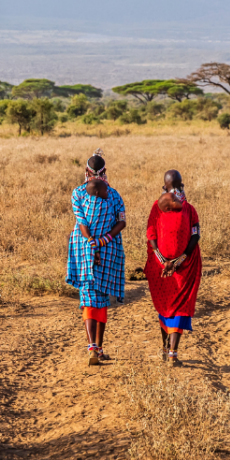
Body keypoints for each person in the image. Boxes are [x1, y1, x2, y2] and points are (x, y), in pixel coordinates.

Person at [66, 149, 126, 366]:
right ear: (105, 172)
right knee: (102, 300)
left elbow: (81, 222)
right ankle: (98, 348)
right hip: (108, 250)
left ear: (86, 171)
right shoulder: (115, 195)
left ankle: (93, 347)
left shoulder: (78, 194)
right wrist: (104, 240)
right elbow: (122, 222)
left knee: (88, 298)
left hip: (84, 249)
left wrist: (91, 241)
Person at [144, 169, 202, 367]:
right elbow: (196, 236)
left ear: (164, 188)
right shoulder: (189, 209)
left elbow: (151, 234)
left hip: (161, 267)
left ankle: (165, 349)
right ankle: (172, 354)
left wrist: (163, 261)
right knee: (179, 306)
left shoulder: (156, 208)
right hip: (183, 266)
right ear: (181, 186)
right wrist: (179, 260)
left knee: (166, 306)